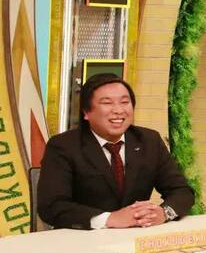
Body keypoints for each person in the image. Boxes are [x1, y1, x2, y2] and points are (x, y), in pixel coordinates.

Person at [38, 74, 195, 229]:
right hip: (82, 239)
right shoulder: (63, 146)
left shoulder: (149, 140)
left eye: (125, 102)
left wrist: (163, 213)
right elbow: (52, 206)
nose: (118, 110)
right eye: (107, 103)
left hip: (134, 237)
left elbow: (182, 191)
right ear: (86, 112)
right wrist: (109, 219)